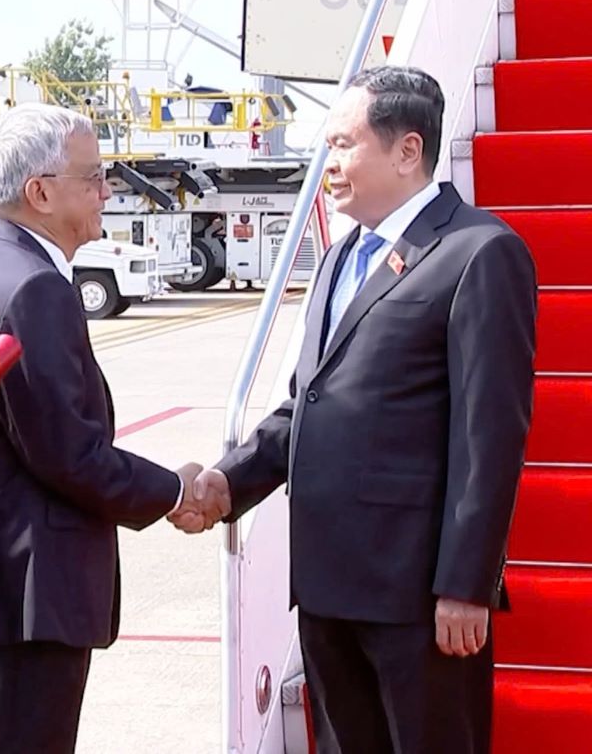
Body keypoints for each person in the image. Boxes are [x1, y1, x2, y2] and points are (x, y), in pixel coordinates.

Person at [176, 66, 538, 754]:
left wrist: (466, 584)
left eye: (343, 144)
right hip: (328, 590)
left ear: (406, 150)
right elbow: (310, 401)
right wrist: (230, 481)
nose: (329, 164)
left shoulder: (478, 252)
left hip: (417, 600)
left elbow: (489, 437)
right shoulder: (345, 255)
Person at [0, 102, 204, 754]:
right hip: (23, 596)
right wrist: (174, 491)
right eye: (95, 175)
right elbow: (68, 453)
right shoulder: (32, 288)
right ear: (41, 192)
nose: (107, 192)